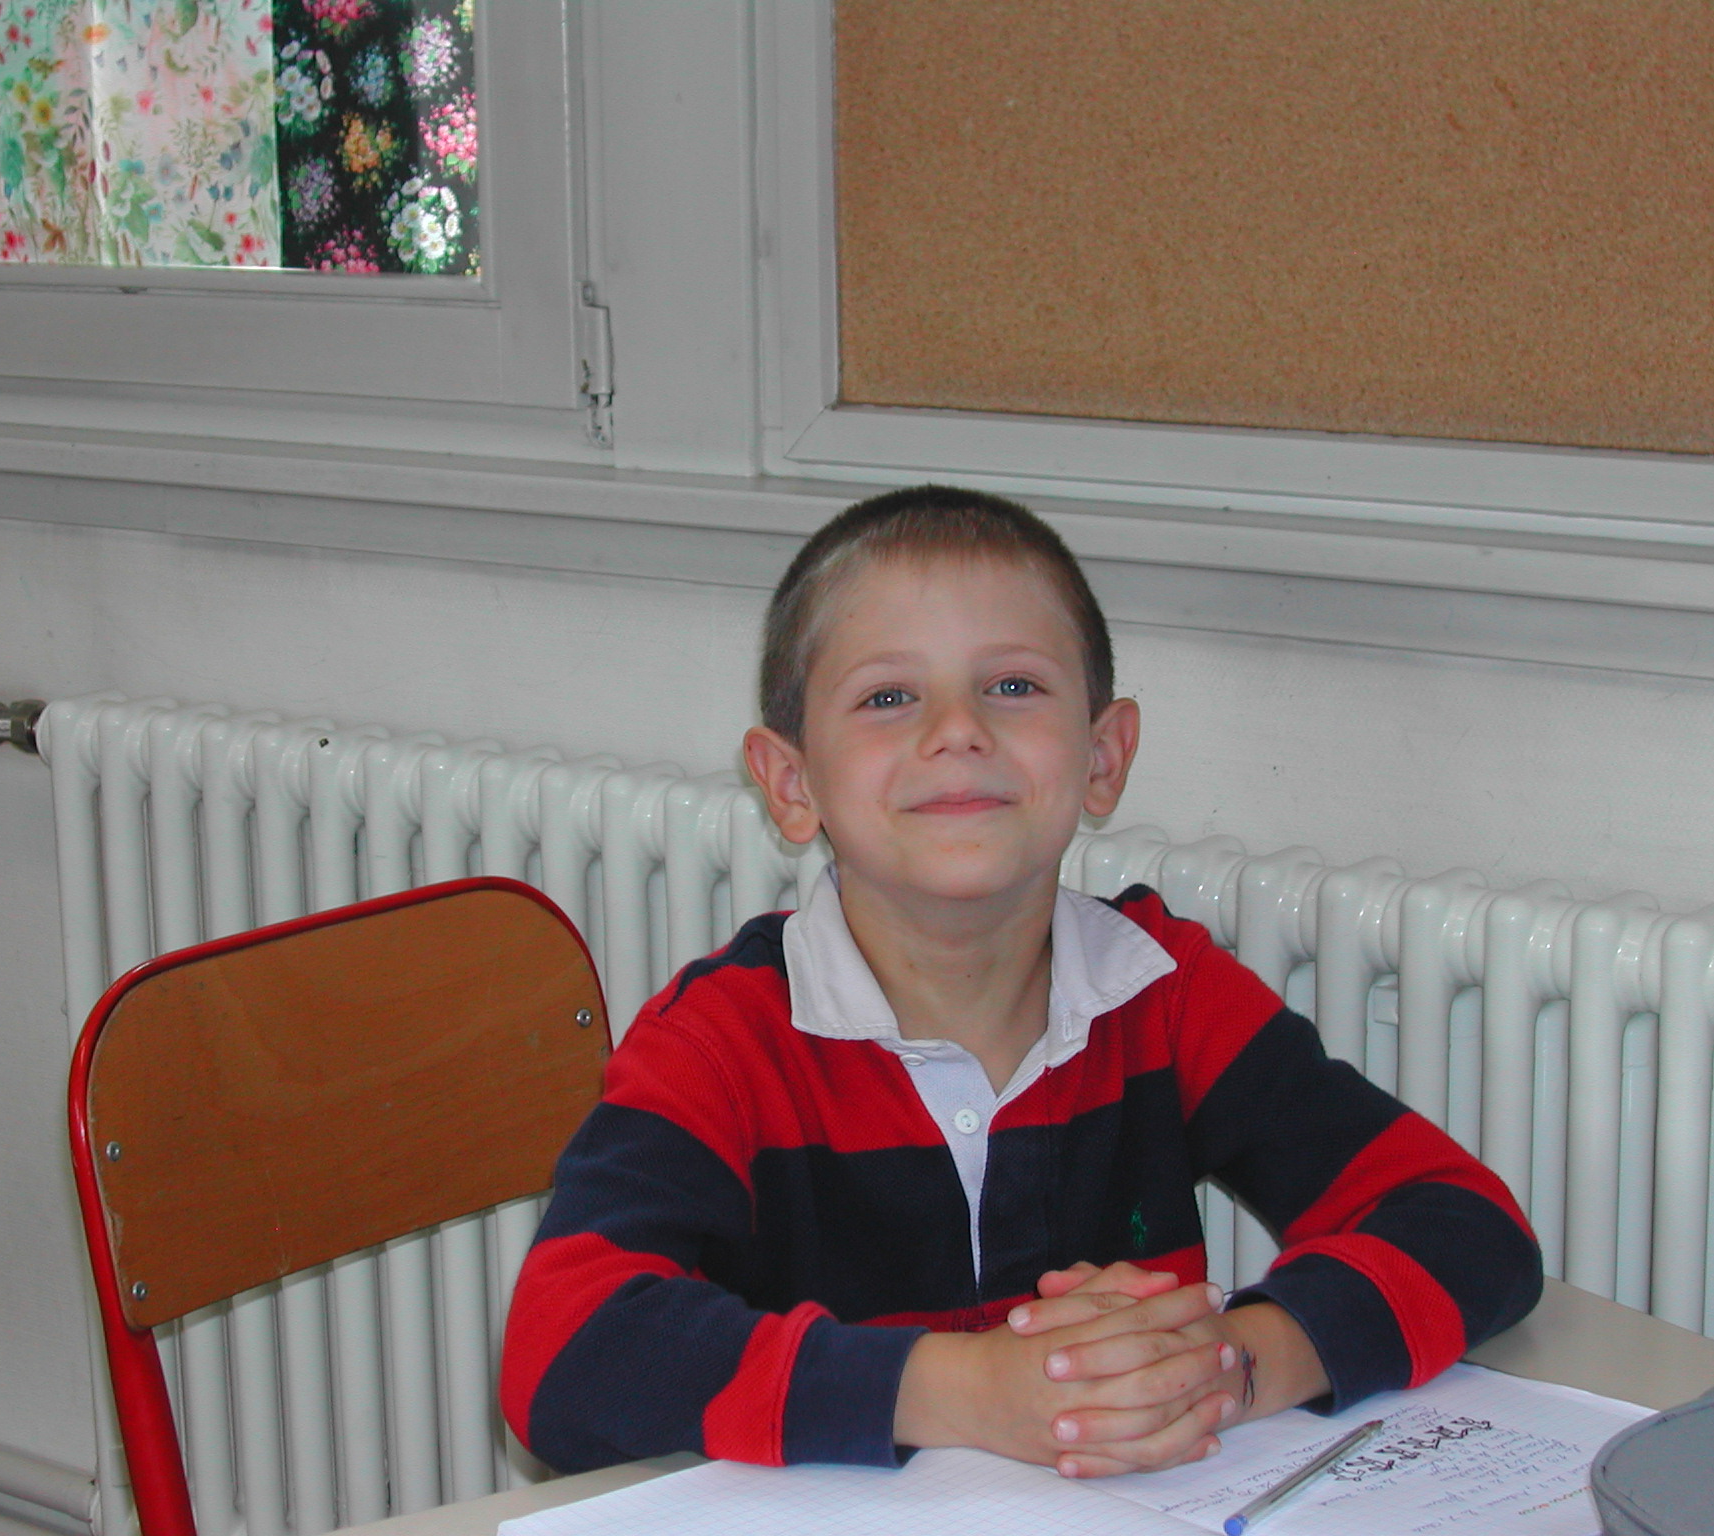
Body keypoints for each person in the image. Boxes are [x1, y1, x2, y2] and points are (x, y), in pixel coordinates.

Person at [499, 485, 1541, 1480]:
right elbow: (564, 1355)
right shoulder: (723, 1041)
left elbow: (1466, 1225)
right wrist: (965, 1391)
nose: (957, 729)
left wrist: (1225, 1364)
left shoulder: (1163, 992)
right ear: (791, 783)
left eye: (1012, 686)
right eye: (888, 696)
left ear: (1102, 757)